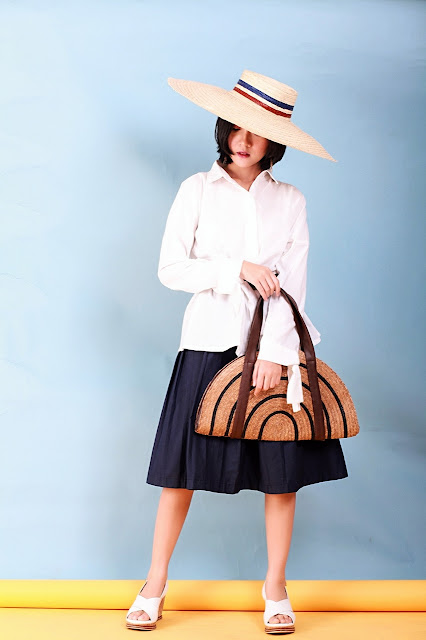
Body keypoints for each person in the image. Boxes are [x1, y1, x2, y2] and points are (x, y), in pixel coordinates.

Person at [126, 70, 348, 634]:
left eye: (259, 131)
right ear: (223, 127)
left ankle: (275, 589)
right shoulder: (196, 190)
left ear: (276, 142)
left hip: (272, 356)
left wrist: (275, 351)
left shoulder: (290, 201)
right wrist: (237, 269)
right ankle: (154, 585)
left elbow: (295, 286)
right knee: (179, 473)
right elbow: (171, 269)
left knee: (281, 474)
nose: (244, 140)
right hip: (206, 343)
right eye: (237, 127)